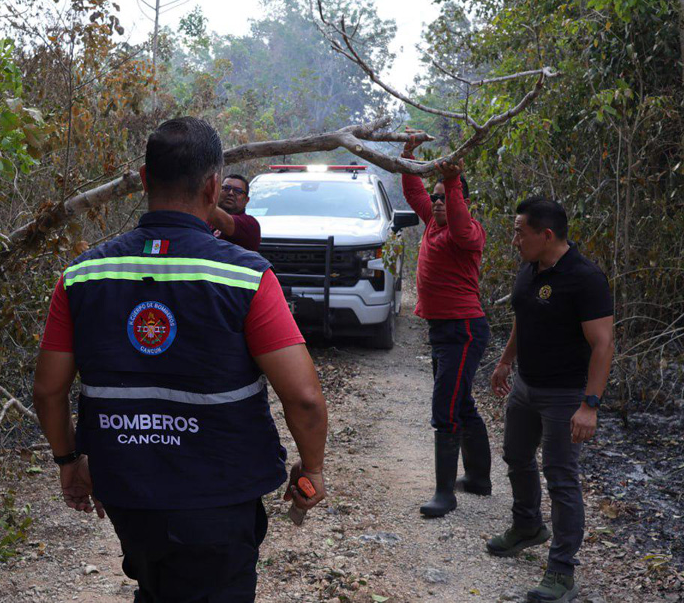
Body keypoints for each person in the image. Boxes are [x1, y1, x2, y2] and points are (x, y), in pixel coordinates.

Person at [32, 117, 328, 603]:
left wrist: (68, 460)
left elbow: (48, 389)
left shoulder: (82, 274)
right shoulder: (246, 276)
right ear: (213, 188)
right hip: (220, 495)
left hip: (125, 488)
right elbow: (303, 396)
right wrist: (312, 469)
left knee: (157, 586)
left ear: (145, 181)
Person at [487, 196, 614, 603]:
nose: (514, 239)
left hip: (565, 395)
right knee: (515, 456)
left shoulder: (585, 277)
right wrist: (506, 362)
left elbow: (603, 344)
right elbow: (523, 319)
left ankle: (561, 571)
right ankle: (527, 526)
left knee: (560, 477)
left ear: (546, 234)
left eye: (519, 231)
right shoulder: (529, 269)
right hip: (526, 386)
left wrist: (589, 405)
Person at [400, 130, 492, 518]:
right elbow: (413, 193)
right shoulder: (432, 222)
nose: (435, 201)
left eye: (444, 196)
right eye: (434, 197)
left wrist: (453, 179)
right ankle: (478, 479)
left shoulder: (466, 231)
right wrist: (408, 153)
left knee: (446, 408)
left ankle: (444, 493)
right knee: (461, 402)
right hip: (443, 330)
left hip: (463, 330)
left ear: (460, 199)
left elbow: (456, 216)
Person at [208, 173, 262, 251]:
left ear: (246, 200)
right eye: (226, 188)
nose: (230, 193)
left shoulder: (250, 224)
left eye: (238, 191)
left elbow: (224, 222)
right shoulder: (206, 219)